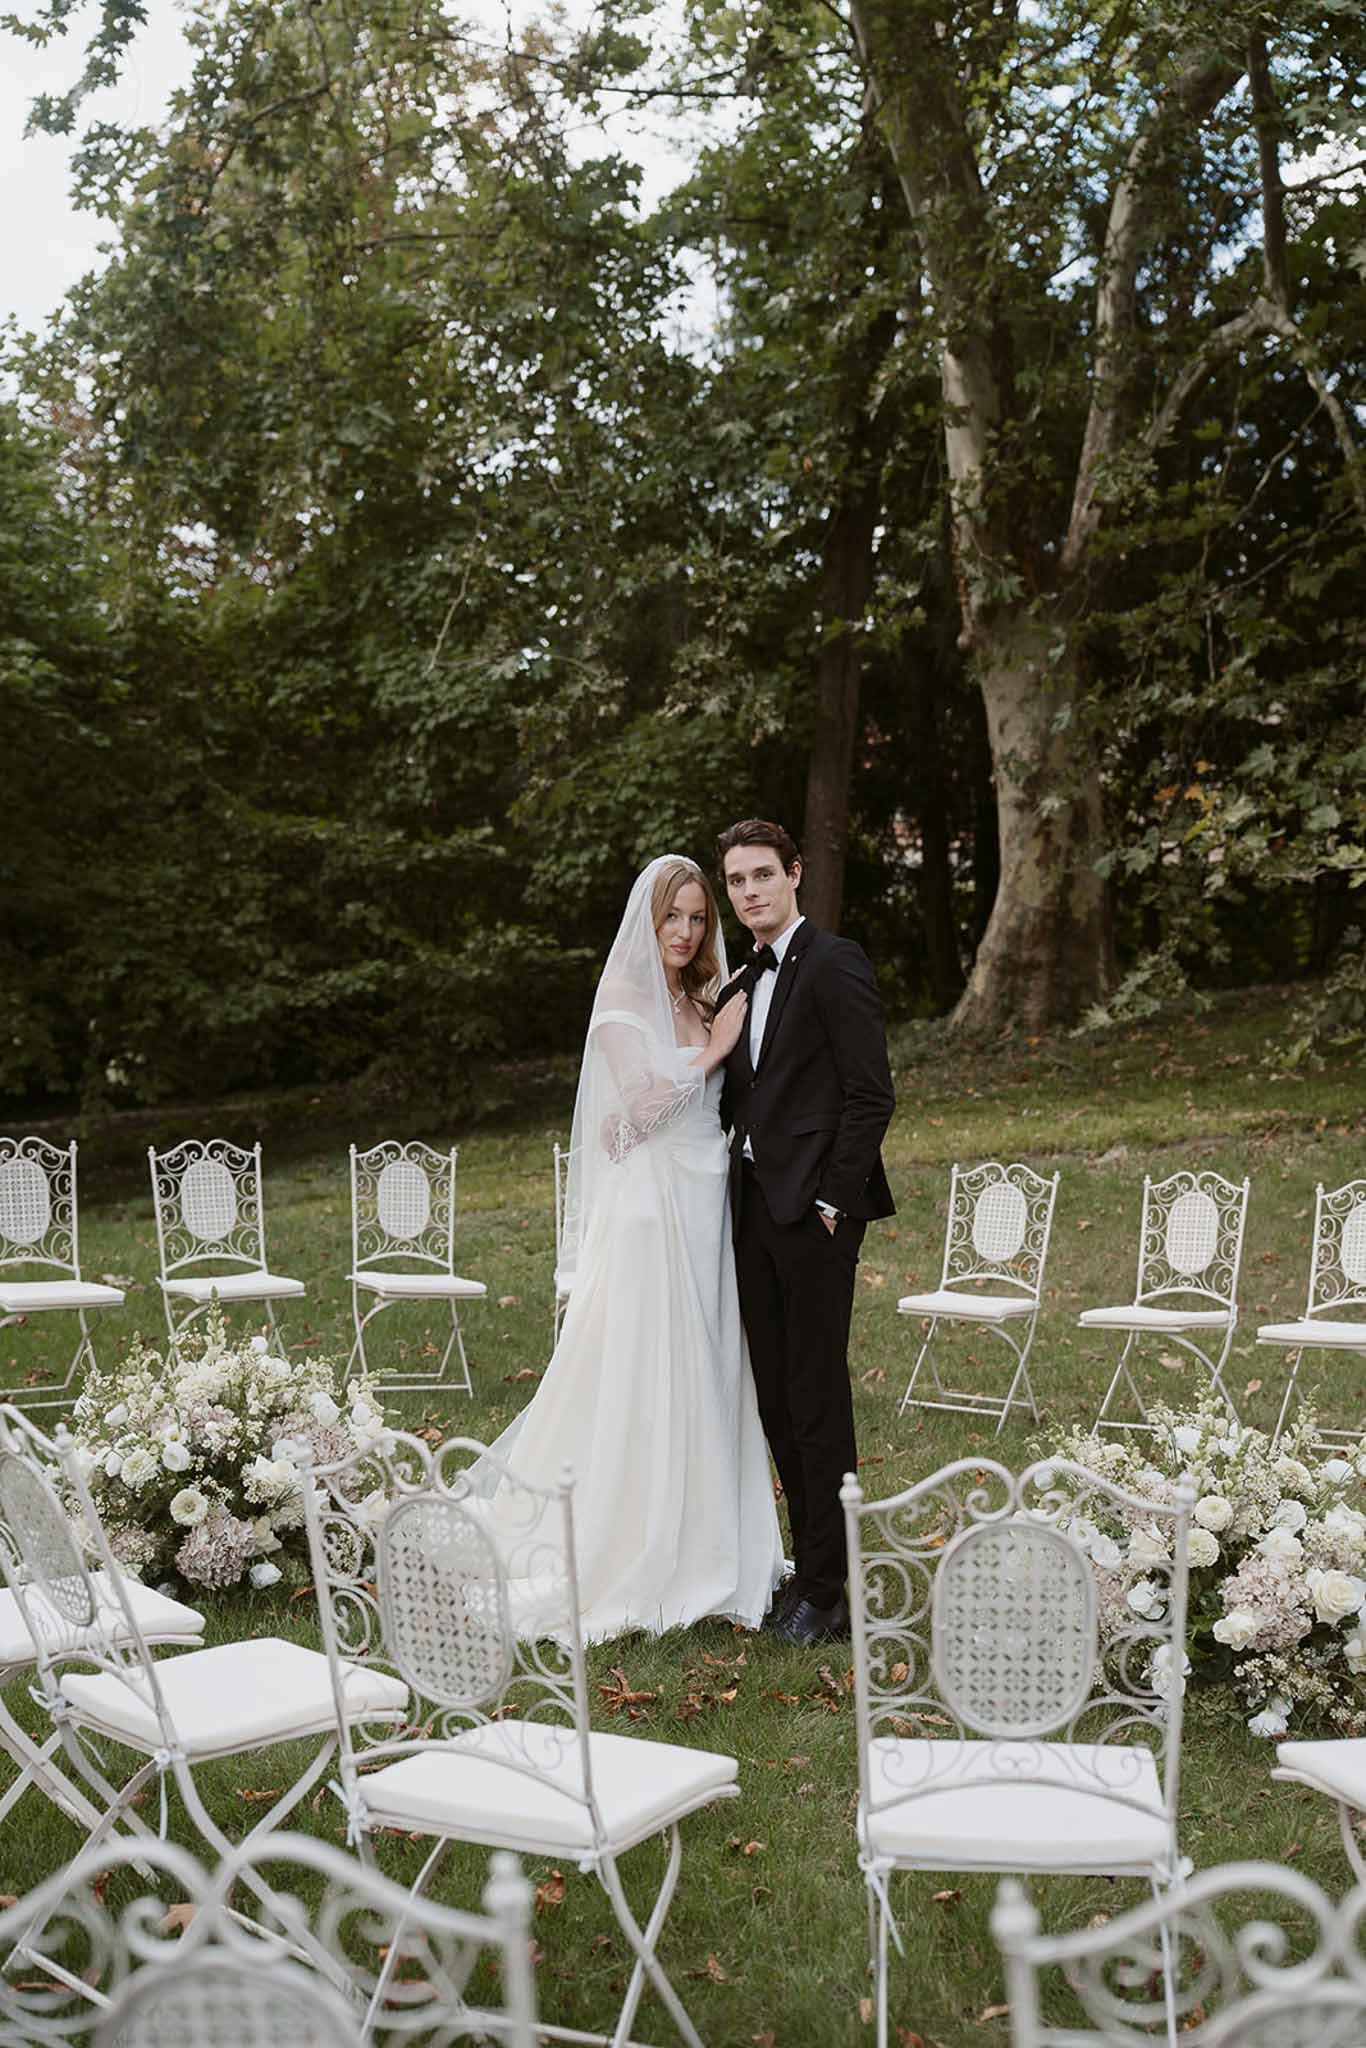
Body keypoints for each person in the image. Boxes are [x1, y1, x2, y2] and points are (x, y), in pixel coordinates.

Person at [479, 855, 785, 1643]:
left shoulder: (699, 996)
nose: (685, 933)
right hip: (652, 1216)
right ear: (647, 921)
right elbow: (635, 1111)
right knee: (653, 1372)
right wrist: (713, 1051)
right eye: (671, 918)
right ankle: (646, 1545)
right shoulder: (621, 1000)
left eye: (696, 918)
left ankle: (720, 1544)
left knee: (714, 1364)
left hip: (706, 1202)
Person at [715, 819, 896, 1647]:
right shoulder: (740, 977)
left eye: (762, 875)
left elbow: (871, 1094)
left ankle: (832, 1589)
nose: (750, 891)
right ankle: (811, 1562)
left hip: (815, 1216)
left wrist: (832, 1200)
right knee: (778, 1398)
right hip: (752, 1211)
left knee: (817, 1396)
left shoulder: (834, 961)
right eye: (737, 881)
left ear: (794, 875)